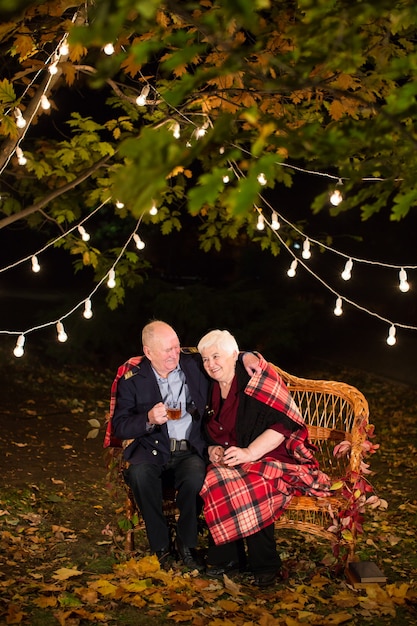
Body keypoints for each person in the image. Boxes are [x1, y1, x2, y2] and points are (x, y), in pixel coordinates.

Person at [110, 320, 259, 571]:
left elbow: (224, 354)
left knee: (195, 480)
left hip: (189, 449)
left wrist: (249, 356)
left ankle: (186, 545)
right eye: (167, 350)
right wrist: (147, 419)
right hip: (152, 449)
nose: (175, 354)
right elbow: (119, 426)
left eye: (177, 347)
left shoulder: (192, 365)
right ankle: (161, 548)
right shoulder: (132, 379)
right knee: (139, 476)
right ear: (148, 352)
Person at [197, 329, 331, 588]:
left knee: (253, 486)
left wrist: (249, 453)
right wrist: (212, 448)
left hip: (268, 455)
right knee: (215, 478)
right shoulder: (210, 387)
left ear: (234, 355)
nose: (211, 364)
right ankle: (229, 560)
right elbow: (212, 429)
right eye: (205, 359)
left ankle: (265, 564)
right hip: (232, 460)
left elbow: (284, 424)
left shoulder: (255, 377)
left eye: (216, 356)